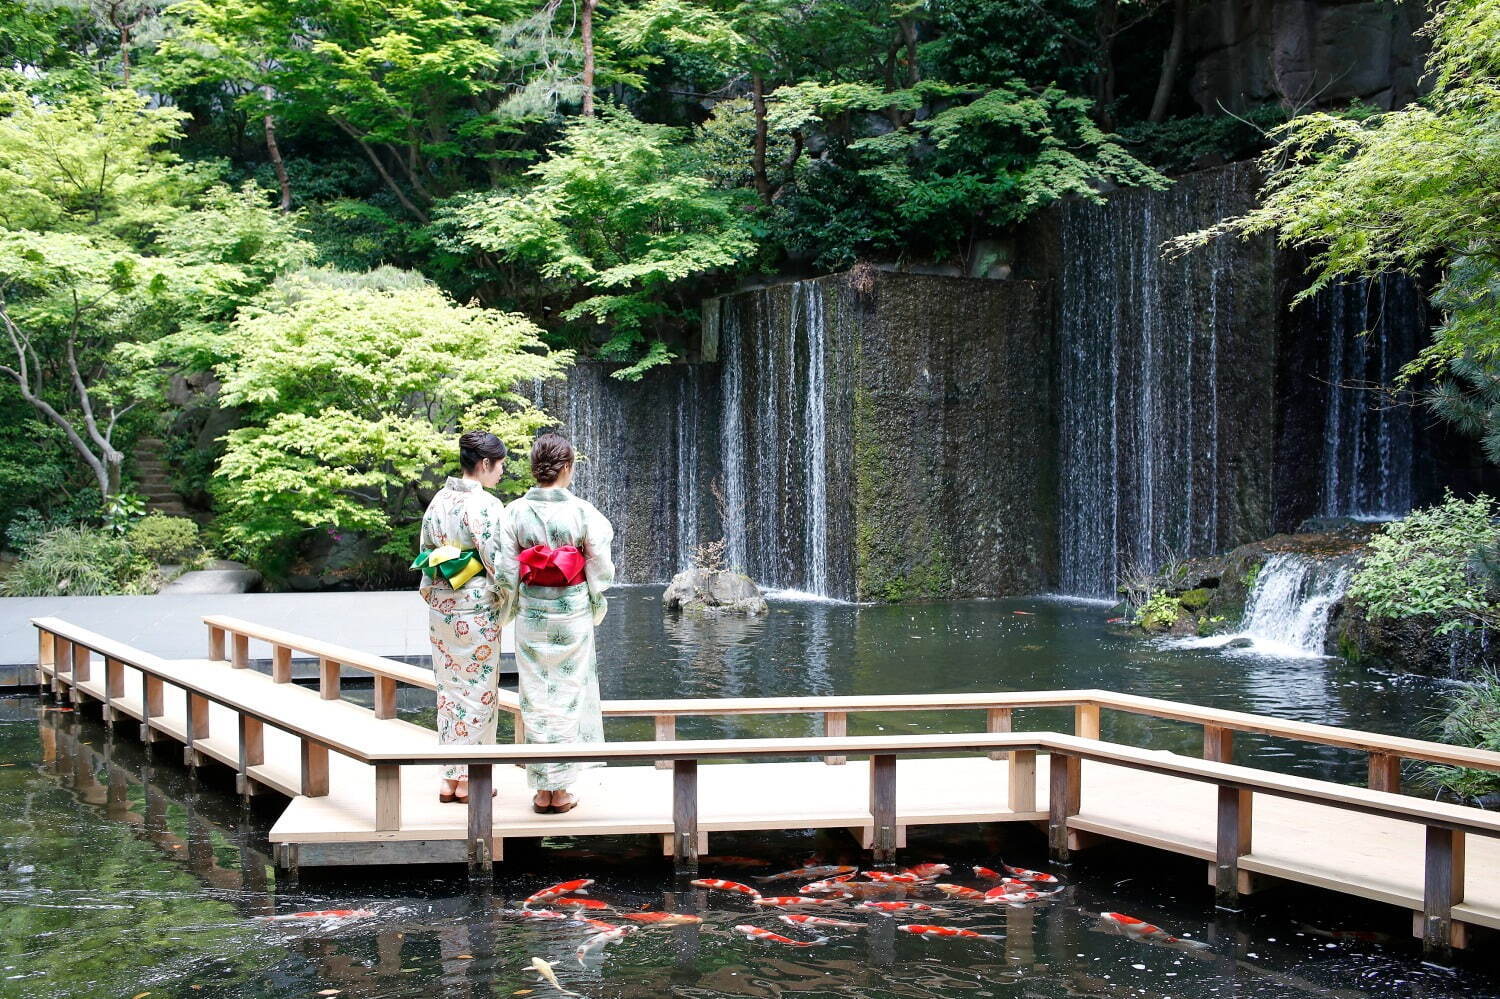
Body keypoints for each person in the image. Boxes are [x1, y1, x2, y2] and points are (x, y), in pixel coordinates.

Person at [495, 432, 614, 814]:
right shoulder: (582, 511)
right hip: (571, 611)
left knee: (536, 696)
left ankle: (543, 788)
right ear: (567, 467)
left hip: (532, 614)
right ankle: (559, 790)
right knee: (568, 693)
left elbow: (506, 571)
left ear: (535, 468)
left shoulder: (513, 511)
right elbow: (599, 566)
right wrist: (595, 595)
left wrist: (506, 607)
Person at [415, 430, 509, 804]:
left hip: (442, 604)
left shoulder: (439, 499)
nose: (501, 472)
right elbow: (497, 562)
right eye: (499, 465)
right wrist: (506, 598)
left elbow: (426, 551)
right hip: (475, 606)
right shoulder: (485, 506)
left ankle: (449, 778)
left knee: (450, 690)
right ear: (484, 464)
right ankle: (472, 778)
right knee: (479, 692)